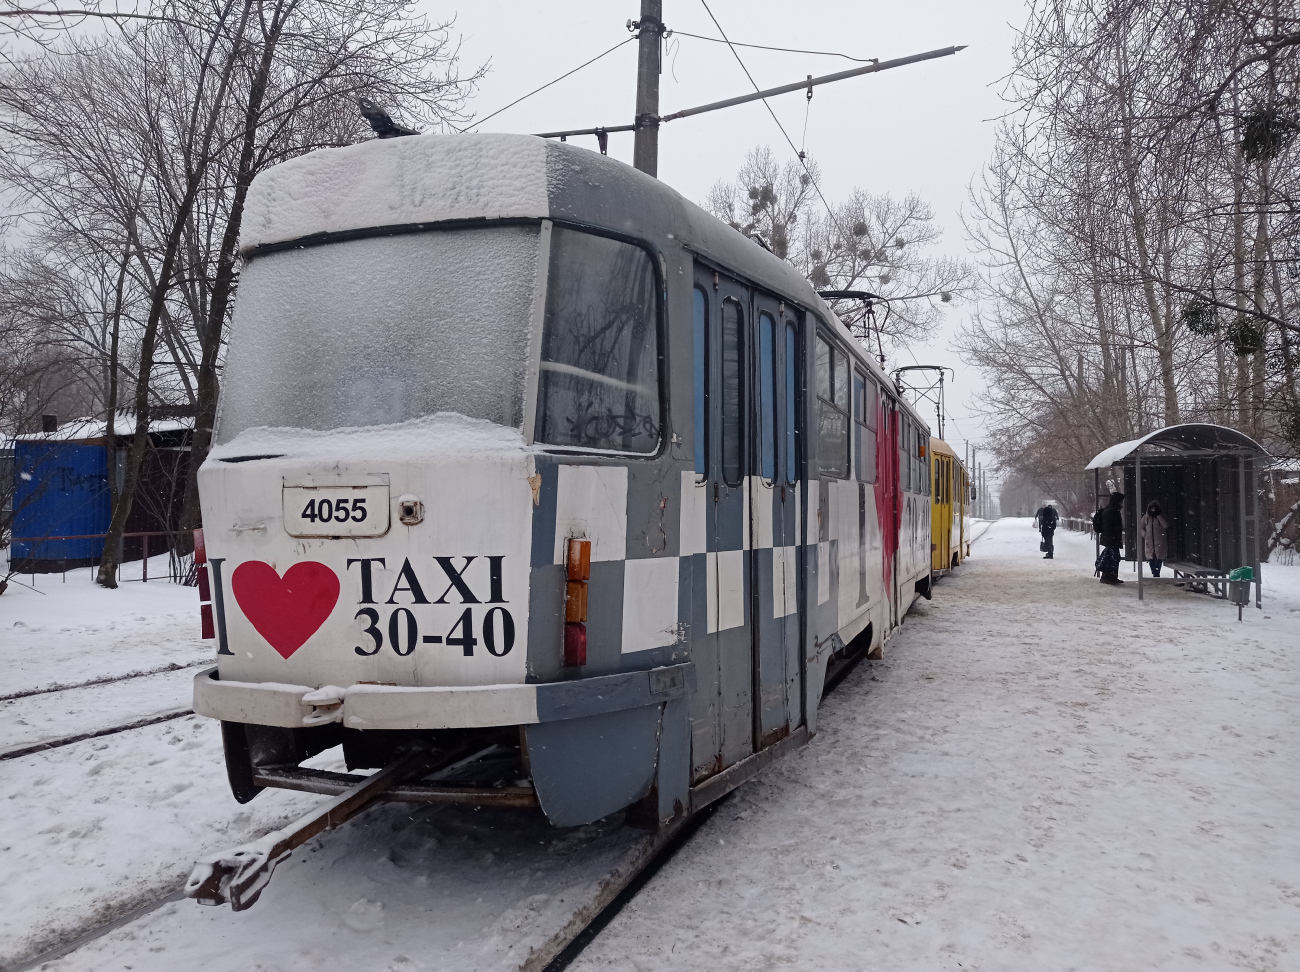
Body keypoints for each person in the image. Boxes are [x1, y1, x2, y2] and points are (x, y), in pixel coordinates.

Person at [1094, 491, 1125, 585]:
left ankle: (1110, 576)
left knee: (1112, 557)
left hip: (1109, 538)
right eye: (1121, 501)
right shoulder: (1113, 511)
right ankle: (1108, 576)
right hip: (1111, 539)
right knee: (1113, 558)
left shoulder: (1109, 510)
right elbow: (1111, 526)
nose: (1122, 503)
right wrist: (1114, 537)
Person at [1140, 500, 1169, 576]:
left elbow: (1165, 525)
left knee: (1158, 558)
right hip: (1149, 542)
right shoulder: (1146, 517)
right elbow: (1140, 527)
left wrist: (1158, 515)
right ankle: (1154, 573)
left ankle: (1156, 574)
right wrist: (1144, 534)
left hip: (1159, 541)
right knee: (1151, 558)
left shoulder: (1161, 516)